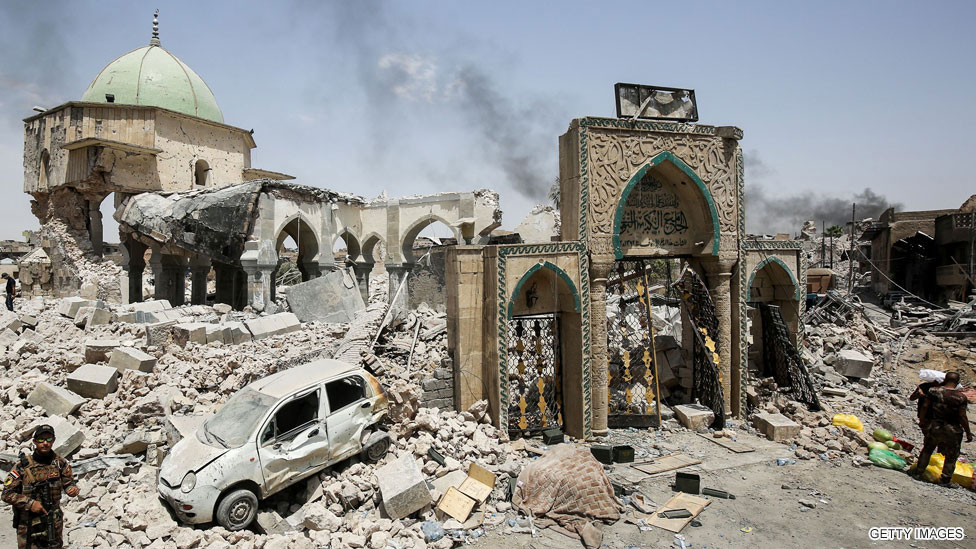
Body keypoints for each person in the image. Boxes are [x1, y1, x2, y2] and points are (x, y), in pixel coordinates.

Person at [1, 425, 80, 548]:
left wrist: (72, 489)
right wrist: (30, 503)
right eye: (41, 440)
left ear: (53, 440)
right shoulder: (22, 466)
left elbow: (68, 482)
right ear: (35, 441)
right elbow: (6, 494)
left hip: (53, 521)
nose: (45, 443)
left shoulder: (60, 463)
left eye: (49, 439)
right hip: (29, 524)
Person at [910, 372, 973, 485]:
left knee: (927, 449)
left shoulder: (933, 391)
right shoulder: (960, 397)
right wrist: (968, 432)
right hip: (953, 429)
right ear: (957, 382)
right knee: (951, 455)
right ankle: (945, 479)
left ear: (945, 379)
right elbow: (962, 416)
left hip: (935, 426)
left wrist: (922, 420)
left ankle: (918, 472)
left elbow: (925, 406)